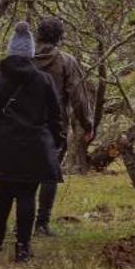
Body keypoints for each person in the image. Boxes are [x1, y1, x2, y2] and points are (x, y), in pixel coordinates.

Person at [0, 22, 64, 262]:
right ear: (31, 53)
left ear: (11, 51)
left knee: (3, 192)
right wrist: (57, 140)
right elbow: (56, 114)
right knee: (27, 195)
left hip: (5, 143)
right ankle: (23, 247)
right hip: (35, 144)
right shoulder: (44, 80)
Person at [30, 15, 95, 237]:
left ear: (38, 35)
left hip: (22, 123)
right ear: (59, 37)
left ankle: (25, 221)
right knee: (50, 172)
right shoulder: (67, 61)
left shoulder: (23, 58)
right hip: (54, 125)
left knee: (26, 172)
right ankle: (41, 223)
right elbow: (78, 97)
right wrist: (87, 124)